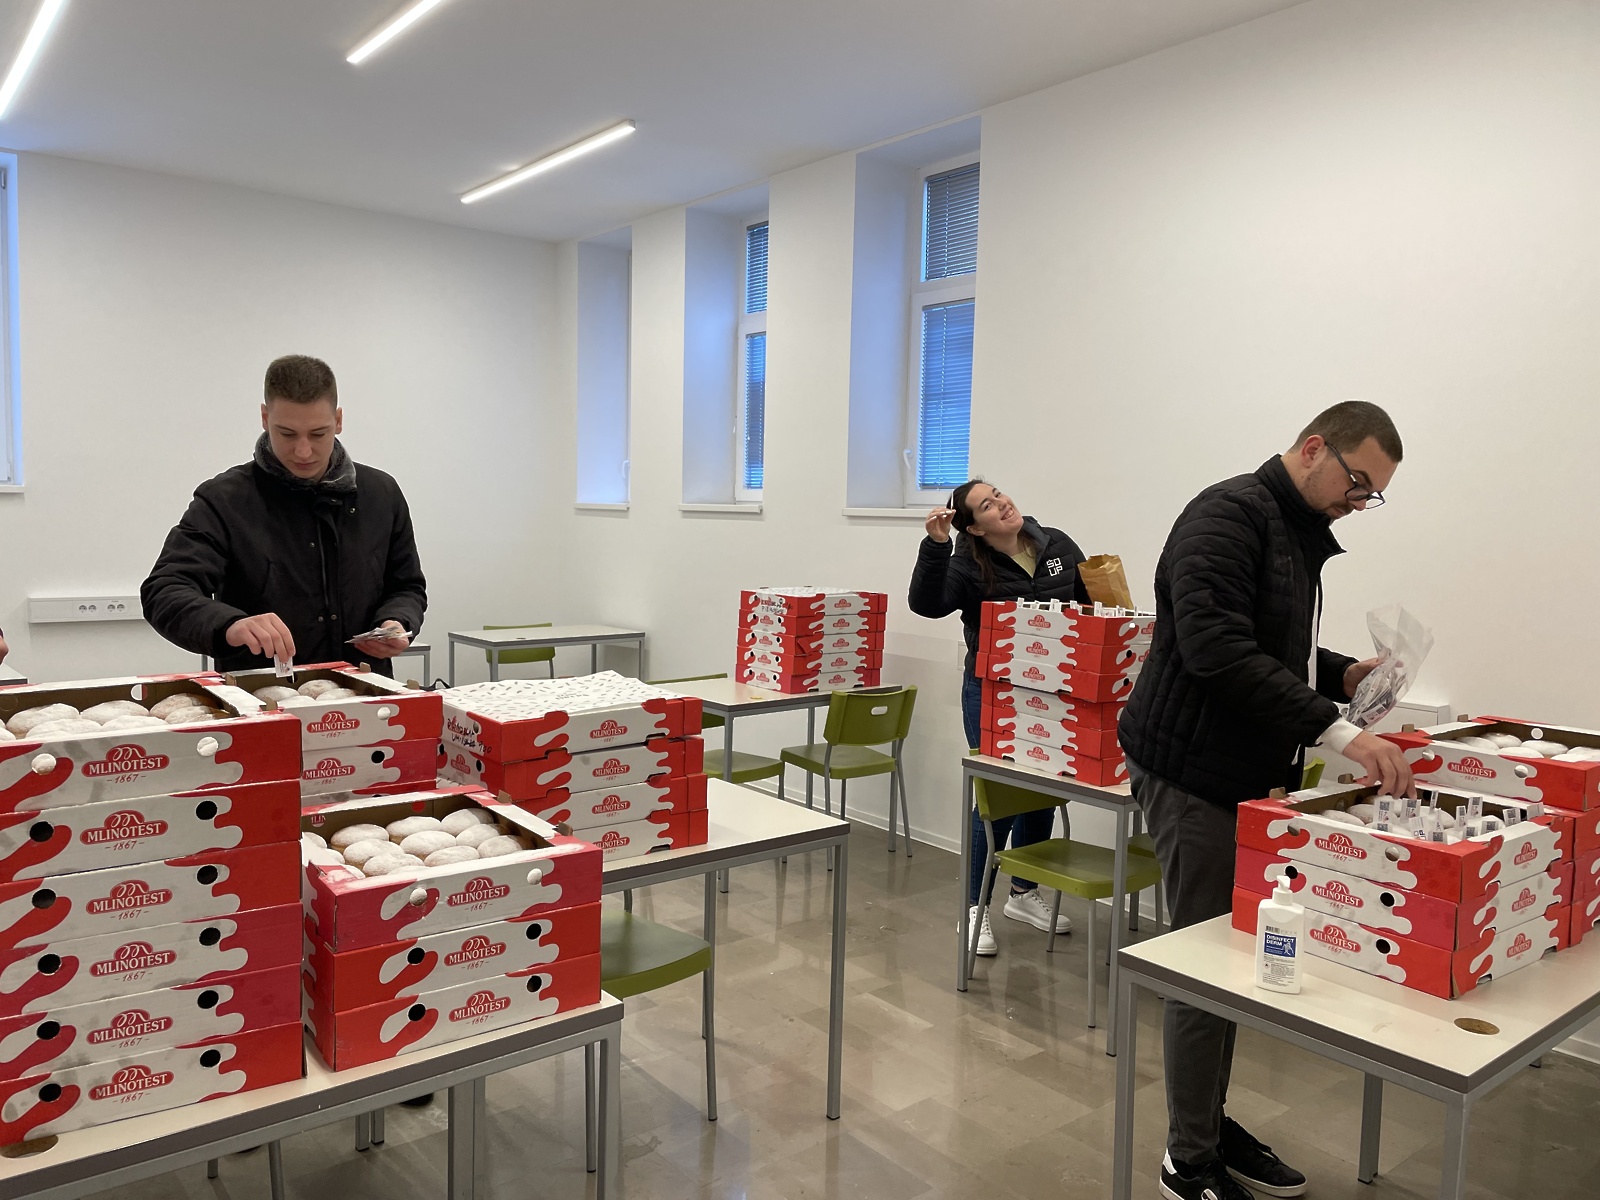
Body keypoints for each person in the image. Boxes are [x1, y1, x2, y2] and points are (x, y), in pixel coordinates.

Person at [1118, 401, 1416, 1200]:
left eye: (1373, 493)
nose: (1360, 502)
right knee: (1203, 968)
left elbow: (1274, 639)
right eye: (1358, 482)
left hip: (1246, 776)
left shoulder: (1292, 529)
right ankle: (1188, 1160)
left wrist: (1343, 673)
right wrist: (1341, 732)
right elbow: (1216, 648)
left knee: (1234, 963)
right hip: (1192, 770)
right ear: (1314, 447)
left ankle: (1208, 1123)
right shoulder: (1226, 514)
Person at [142, 355, 426, 677]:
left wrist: (397, 621)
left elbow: (407, 586)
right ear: (265, 418)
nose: (303, 451)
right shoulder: (224, 500)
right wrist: (230, 625)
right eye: (287, 434)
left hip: (368, 690)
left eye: (318, 434)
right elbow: (164, 591)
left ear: (338, 420)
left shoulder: (382, 493)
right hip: (262, 697)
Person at [909, 479, 1089, 957]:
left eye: (999, 495)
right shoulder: (968, 564)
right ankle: (974, 906)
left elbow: (1089, 602)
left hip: (1053, 690)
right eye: (987, 505)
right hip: (992, 692)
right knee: (999, 798)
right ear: (974, 527)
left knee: (1043, 792)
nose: (1002, 504)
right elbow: (927, 605)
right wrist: (936, 546)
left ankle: (1024, 893)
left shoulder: (1056, 544)